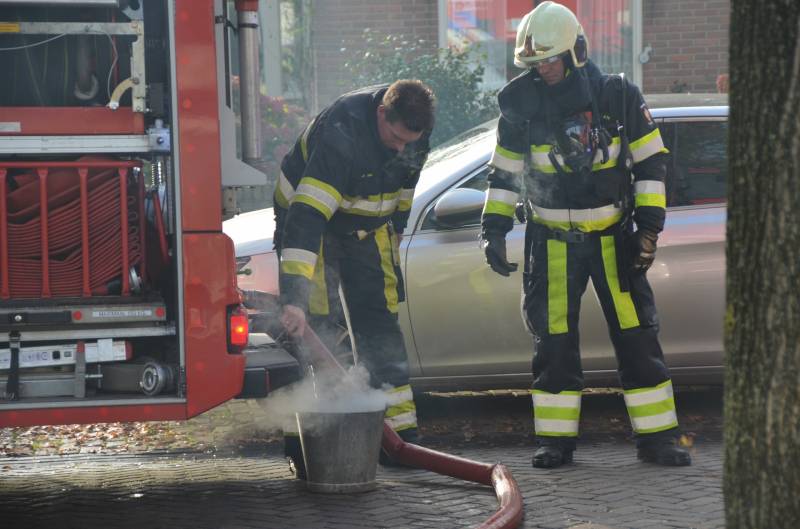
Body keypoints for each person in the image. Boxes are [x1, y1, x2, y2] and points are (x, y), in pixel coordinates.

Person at [480, 1, 691, 468]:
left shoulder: (616, 96)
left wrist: (649, 230)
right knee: (553, 342)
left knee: (636, 336)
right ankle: (556, 442)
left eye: (550, 59)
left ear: (575, 52)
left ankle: (657, 439)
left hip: (614, 240)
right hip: (551, 243)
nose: (544, 70)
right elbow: (504, 175)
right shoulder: (521, 107)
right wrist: (493, 229)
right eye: (535, 63)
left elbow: (653, 165)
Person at [273, 80, 435, 475]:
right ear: (382, 113)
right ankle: (312, 441)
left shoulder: (415, 131)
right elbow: (307, 217)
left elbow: (405, 187)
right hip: (315, 224)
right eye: (395, 137)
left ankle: (400, 440)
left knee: (380, 324)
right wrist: (294, 296)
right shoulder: (341, 135)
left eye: (408, 141)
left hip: (369, 226)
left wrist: (396, 224)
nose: (401, 147)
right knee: (318, 327)